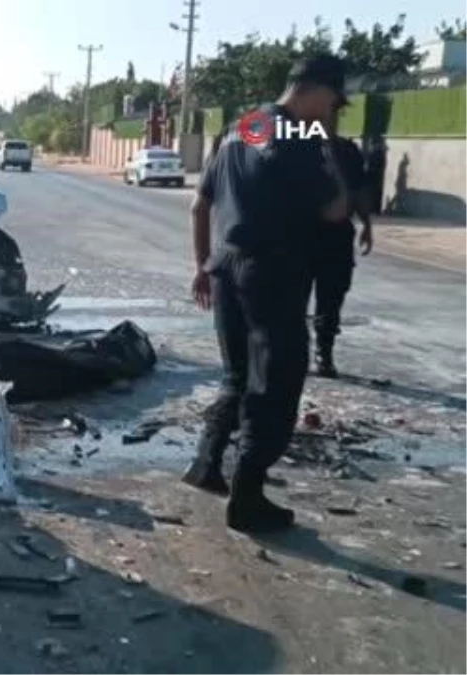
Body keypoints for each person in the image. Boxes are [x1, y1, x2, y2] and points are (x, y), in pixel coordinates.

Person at [183, 54, 352, 534]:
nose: (332, 112)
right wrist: (329, 153)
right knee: (276, 382)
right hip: (271, 273)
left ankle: (206, 463)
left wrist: (201, 266)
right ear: (317, 90)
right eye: (333, 103)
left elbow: (199, 205)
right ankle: (248, 495)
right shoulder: (298, 136)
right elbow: (336, 209)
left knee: (238, 374)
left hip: (225, 266)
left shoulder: (242, 128)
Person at [311, 113, 373, 378]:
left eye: (334, 115)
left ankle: (324, 352)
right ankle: (290, 352)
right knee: (292, 297)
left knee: (333, 295)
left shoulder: (348, 151)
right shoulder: (296, 149)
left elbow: (359, 189)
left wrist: (366, 224)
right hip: (301, 235)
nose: (330, 120)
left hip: (337, 236)